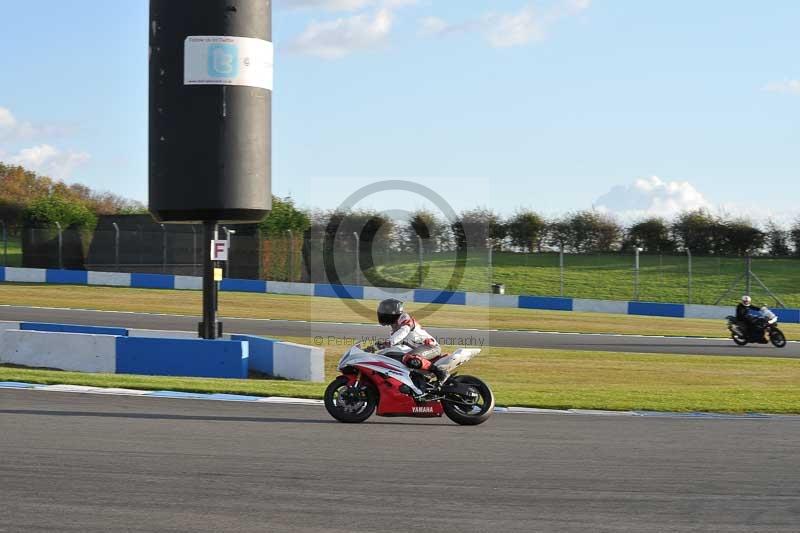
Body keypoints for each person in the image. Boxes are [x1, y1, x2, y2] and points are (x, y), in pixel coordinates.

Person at [375, 298, 448, 383]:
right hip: (417, 349)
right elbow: (393, 345)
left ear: (393, 312)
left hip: (431, 347)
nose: (381, 313)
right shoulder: (394, 329)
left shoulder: (405, 319)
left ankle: (440, 372)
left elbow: (403, 331)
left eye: (384, 311)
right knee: (392, 357)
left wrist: (389, 342)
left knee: (409, 359)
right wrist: (376, 351)